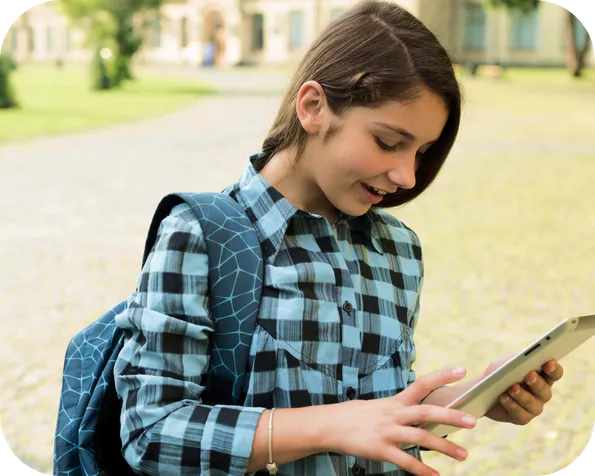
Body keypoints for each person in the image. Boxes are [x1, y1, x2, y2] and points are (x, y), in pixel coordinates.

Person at [113, 1, 564, 475]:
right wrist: (330, 425)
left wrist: (476, 399)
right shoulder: (202, 235)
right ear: (313, 107)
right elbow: (151, 432)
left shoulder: (399, 249)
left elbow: (378, 405)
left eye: (422, 151)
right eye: (389, 142)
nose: (407, 175)